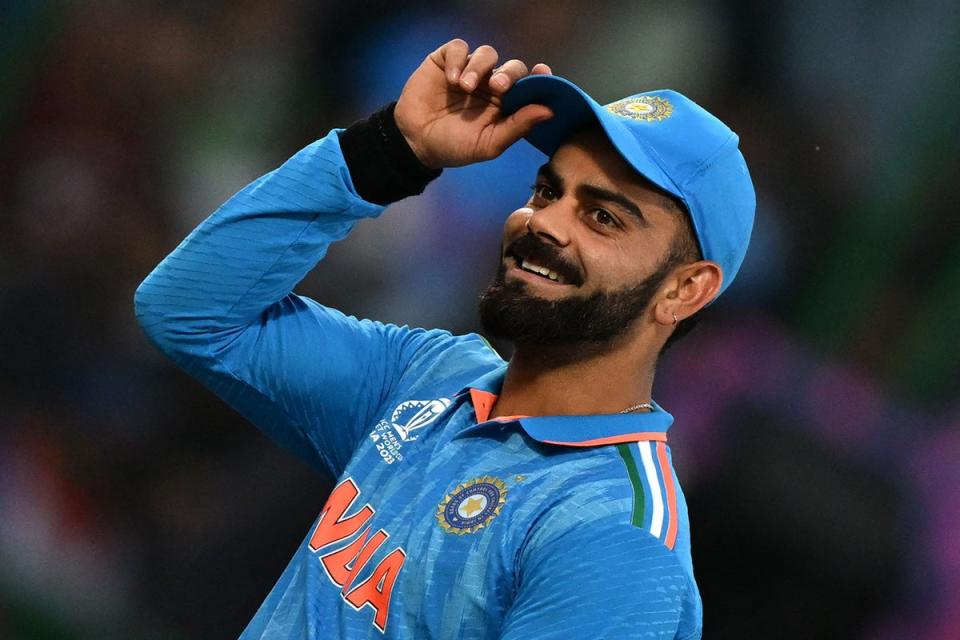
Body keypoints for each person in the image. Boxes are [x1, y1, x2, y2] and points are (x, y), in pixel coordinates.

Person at [135, 38, 754, 640]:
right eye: (547, 190)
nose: (543, 223)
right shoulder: (430, 377)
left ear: (685, 290)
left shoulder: (615, 538)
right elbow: (190, 311)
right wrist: (392, 151)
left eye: (602, 217)